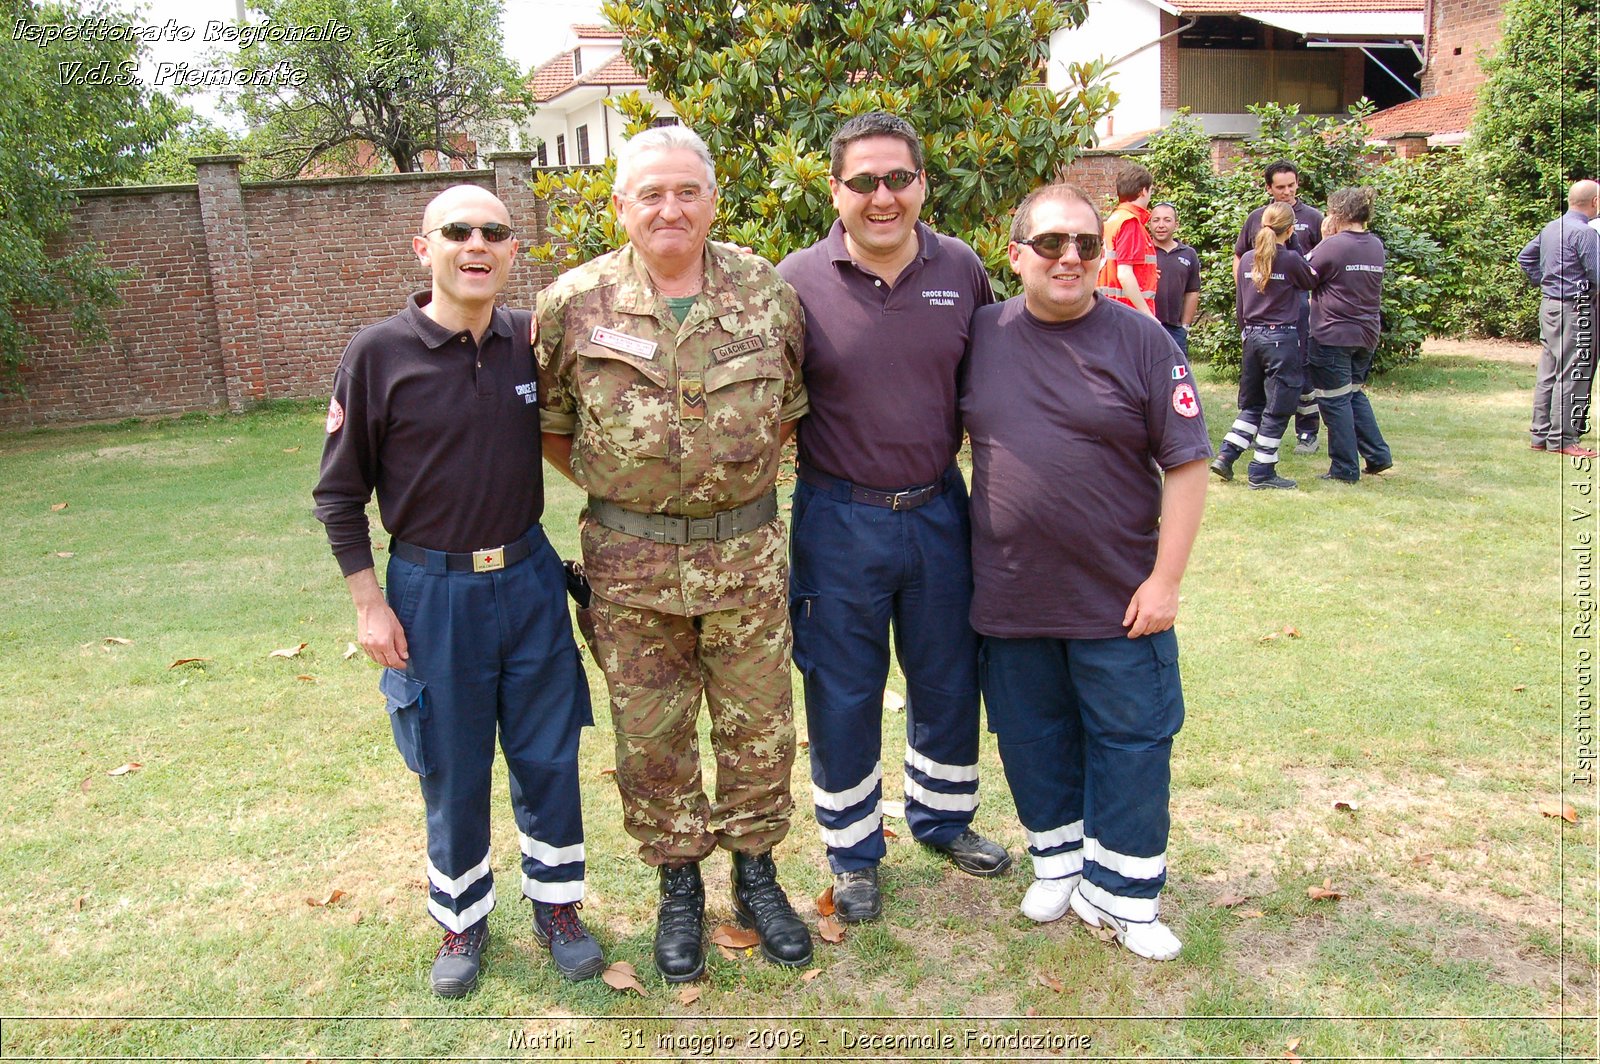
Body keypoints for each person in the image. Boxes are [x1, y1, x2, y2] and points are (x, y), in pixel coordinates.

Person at [535, 125, 813, 982]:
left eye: (687, 190)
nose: (669, 207)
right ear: (620, 204)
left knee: (759, 730)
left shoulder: (767, 292)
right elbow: (553, 429)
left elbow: (789, 413)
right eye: (650, 192)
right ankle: (679, 887)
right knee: (651, 739)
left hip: (748, 563)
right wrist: (636, 491)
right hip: (631, 571)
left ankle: (758, 878)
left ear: (713, 201)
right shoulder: (572, 304)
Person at [312, 186, 602, 996]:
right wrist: (371, 603)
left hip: (531, 579)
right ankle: (462, 917)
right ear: (424, 246)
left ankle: (558, 909)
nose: (477, 244)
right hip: (432, 592)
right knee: (452, 760)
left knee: (549, 753)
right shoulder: (377, 354)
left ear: (513, 251)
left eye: (495, 233)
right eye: (458, 231)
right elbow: (339, 496)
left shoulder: (529, 344)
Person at [962, 184, 1211, 961]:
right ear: (1016, 255)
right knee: (1031, 736)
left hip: (1118, 595)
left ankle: (1127, 894)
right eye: (1050, 243)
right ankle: (1059, 861)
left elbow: (1189, 465)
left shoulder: (1143, 341)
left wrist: (1165, 580)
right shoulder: (980, 333)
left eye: (1085, 244)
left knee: (1132, 741)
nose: (1069, 257)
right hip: (1010, 591)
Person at [776, 112, 1010, 924]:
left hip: (941, 507)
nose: (883, 197)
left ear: (922, 184)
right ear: (835, 190)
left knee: (948, 673)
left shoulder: (963, 268)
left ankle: (944, 819)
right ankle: (853, 851)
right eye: (864, 182)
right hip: (838, 517)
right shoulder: (795, 281)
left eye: (898, 179)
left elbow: (994, 382)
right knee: (842, 688)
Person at [1211, 203, 1317, 490]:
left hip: (1252, 338)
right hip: (1281, 339)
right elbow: (1311, 279)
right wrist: (1294, 245)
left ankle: (1227, 454)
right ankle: (1262, 469)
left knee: (1253, 403)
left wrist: (1245, 332)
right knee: (1278, 406)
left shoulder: (1246, 259)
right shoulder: (1290, 259)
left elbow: (1242, 302)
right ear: (1291, 229)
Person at [1235, 161, 1325, 455]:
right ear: (1269, 188)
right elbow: (1241, 258)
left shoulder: (1313, 218)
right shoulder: (1256, 218)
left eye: (1292, 185)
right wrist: (1246, 291)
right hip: (1261, 309)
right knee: (1259, 375)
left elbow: (1319, 265)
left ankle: (1307, 431)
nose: (1287, 192)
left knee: (1300, 370)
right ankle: (1255, 432)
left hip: (1296, 307)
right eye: (1280, 187)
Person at [1306, 187, 1394, 482]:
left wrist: (1326, 238)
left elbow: (1303, 272)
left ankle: (1344, 469)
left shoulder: (1334, 245)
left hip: (1333, 334)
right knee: (1354, 395)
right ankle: (1377, 455)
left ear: (1338, 213)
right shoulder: (1375, 245)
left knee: (1334, 400)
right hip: (1366, 333)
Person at [1517, 179, 1600, 457]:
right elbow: (1597, 276)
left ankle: (1539, 435)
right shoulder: (1586, 233)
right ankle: (1563, 439)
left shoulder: (1552, 227)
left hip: (1550, 306)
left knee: (1549, 371)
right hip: (1576, 311)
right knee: (1573, 373)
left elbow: (1525, 258)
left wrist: (1546, 283)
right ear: (1595, 202)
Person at [1097, 164, 1159, 317]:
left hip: (1112, 310)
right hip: (1128, 314)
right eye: (1150, 190)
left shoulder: (1114, 219)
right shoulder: (1130, 222)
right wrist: (1148, 317)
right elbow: (1124, 274)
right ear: (1143, 191)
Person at [1149, 201, 1201, 355]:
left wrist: (1184, 326)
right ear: (1149, 224)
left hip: (1175, 330)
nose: (1161, 225)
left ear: (1176, 224)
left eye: (1167, 220)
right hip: (1147, 325)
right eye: (1156, 220)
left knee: (1177, 376)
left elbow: (1192, 291)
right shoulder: (1144, 252)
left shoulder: (1188, 254)